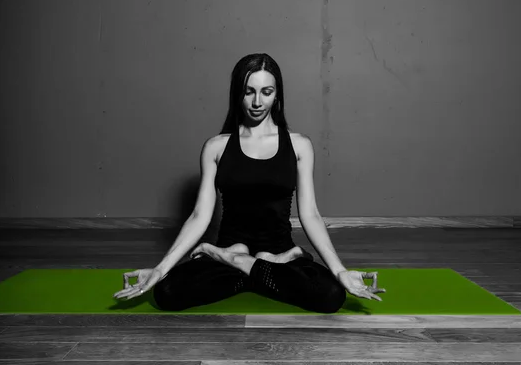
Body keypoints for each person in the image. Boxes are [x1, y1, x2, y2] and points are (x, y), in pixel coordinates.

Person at [113, 53, 386, 313]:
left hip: (278, 251)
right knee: (166, 292)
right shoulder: (215, 147)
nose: (257, 102)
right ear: (238, 94)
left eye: (266, 92)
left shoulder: (299, 145)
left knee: (331, 295)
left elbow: (310, 214)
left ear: (277, 95)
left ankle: (241, 262)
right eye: (249, 91)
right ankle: (253, 264)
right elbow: (199, 215)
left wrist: (339, 271)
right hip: (238, 250)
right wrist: (160, 269)